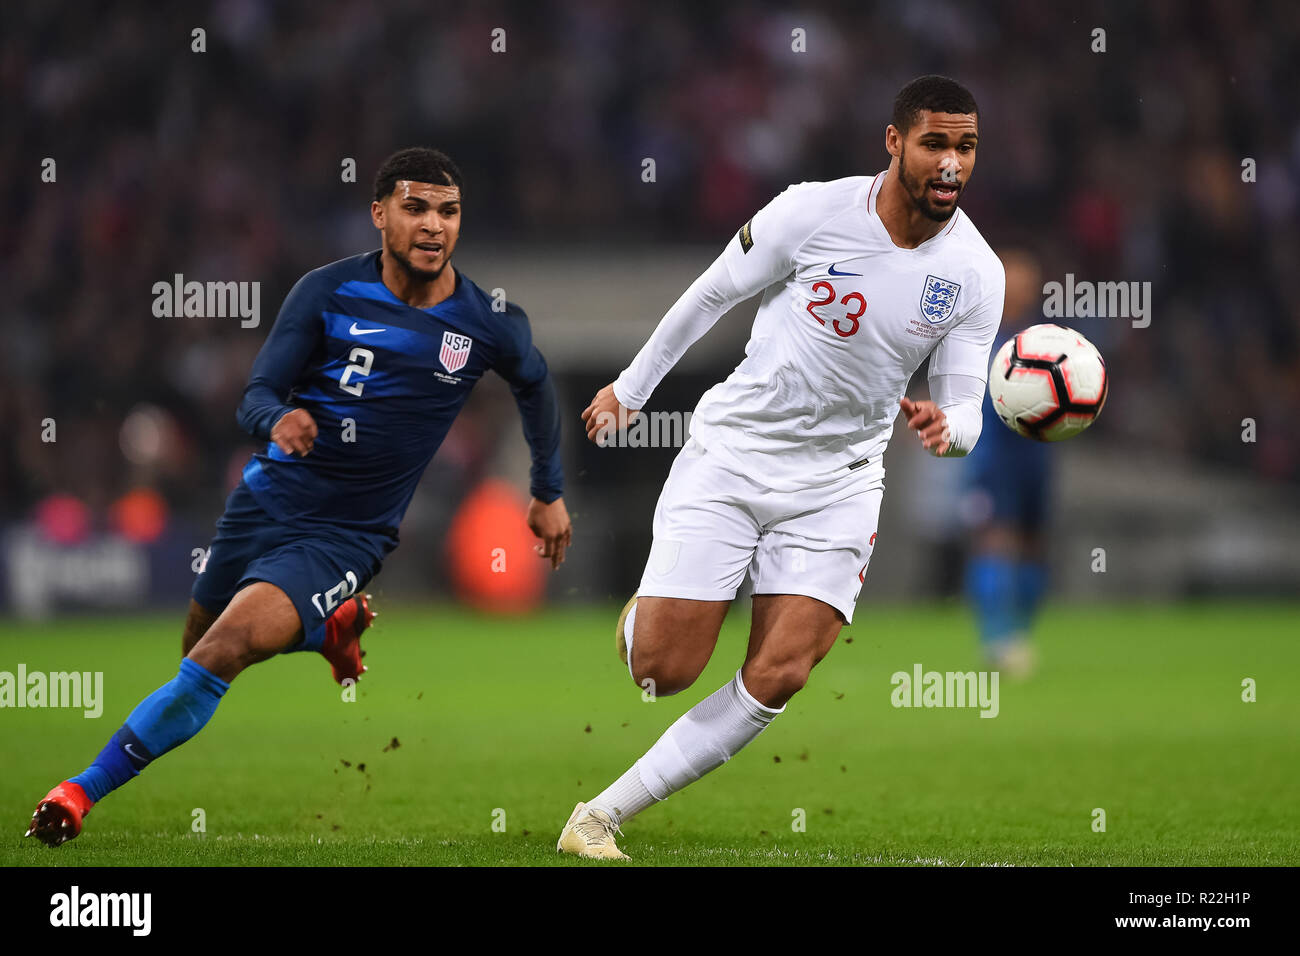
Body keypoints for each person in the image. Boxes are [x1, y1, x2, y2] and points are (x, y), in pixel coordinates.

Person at [26, 147, 572, 847]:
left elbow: (536, 382)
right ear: (379, 215)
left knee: (220, 652)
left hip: (346, 534)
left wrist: (547, 492)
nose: (434, 225)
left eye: (448, 211)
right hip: (263, 501)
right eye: (416, 208)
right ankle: (325, 628)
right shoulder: (325, 292)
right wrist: (276, 418)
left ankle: (77, 793)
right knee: (195, 648)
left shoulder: (486, 321)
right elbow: (257, 393)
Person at [559, 76, 1004, 859]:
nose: (951, 165)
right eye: (936, 143)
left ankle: (599, 817)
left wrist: (950, 429)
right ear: (895, 142)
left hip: (839, 485)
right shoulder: (812, 210)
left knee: (783, 671)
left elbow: (966, 405)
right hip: (735, 455)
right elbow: (710, 296)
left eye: (966, 147)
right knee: (663, 672)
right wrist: (631, 390)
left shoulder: (975, 272)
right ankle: (642, 624)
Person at [961, 249, 1050, 678]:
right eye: (1013, 281)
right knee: (995, 540)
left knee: (1033, 544)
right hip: (992, 458)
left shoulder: (1044, 342)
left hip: (1036, 454)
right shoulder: (976, 338)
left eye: (1027, 282)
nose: (1020, 290)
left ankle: (1021, 633)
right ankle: (996, 640)